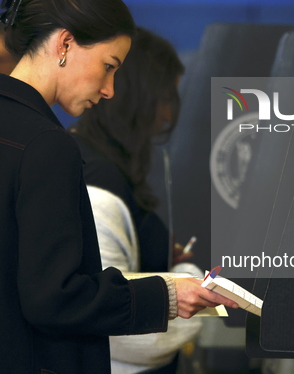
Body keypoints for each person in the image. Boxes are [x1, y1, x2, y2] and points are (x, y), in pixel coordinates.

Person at [0, 0, 237, 373]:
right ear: (65, 44)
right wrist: (168, 295)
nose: (109, 90)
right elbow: (57, 298)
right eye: (109, 67)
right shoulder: (46, 145)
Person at [71, 27, 200, 373]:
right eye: (164, 100)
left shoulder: (108, 167)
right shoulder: (99, 182)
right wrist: (189, 277)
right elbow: (119, 332)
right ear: (138, 97)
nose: (168, 116)